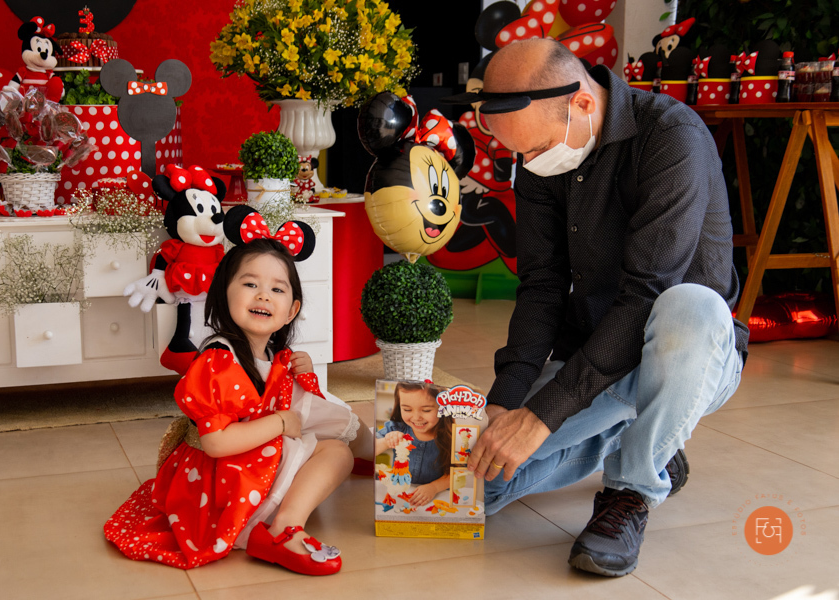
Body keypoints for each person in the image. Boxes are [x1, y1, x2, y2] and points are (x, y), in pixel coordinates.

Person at [445, 38, 748, 577]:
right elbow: (541, 285)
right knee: (473, 488)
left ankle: (629, 492)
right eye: (520, 156)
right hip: (595, 360)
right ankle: (652, 436)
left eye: (534, 151)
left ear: (583, 104)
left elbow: (646, 296)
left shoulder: (672, 137)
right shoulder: (540, 160)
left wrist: (541, 416)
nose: (529, 165)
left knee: (691, 306)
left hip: (692, 351)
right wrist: (506, 401)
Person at [104, 229, 373, 575]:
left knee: (332, 439)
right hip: (223, 482)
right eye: (250, 285)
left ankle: (377, 451)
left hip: (249, 460)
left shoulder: (271, 354)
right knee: (337, 452)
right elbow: (216, 442)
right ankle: (282, 529)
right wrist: (279, 423)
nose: (263, 295)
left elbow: (278, 402)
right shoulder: (218, 360)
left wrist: (295, 374)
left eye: (277, 289)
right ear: (223, 294)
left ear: (291, 311)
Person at [375, 382, 453, 507]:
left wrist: (434, 487)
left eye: (426, 410)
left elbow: (457, 472)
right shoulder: (396, 427)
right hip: (400, 491)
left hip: (436, 493)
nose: (416, 417)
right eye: (407, 409)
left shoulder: (450, 434)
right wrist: (386, 441)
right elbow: (370, 449)